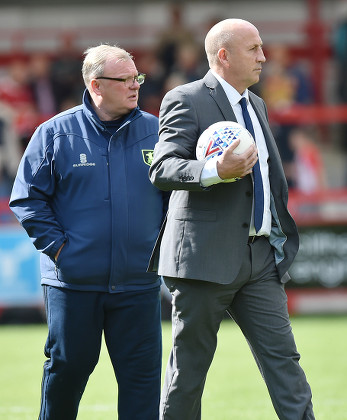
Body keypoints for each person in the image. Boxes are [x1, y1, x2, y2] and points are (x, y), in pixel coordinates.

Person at [149, 19, 315, 420]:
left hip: (259, 260)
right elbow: (163, 168)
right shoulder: (186, 98)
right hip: (203, 261)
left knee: (285, 365)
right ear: (223, 56)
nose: (264, 57)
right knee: (188, 372)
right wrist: (214, 171)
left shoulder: (255, 103)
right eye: (254, 48)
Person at [9, 44, 169, 420]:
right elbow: (27, 199)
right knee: (67, 372)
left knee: (142, 383)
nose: (135, 86)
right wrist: (62, 251)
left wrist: (158, 248)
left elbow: (176, 198)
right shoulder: (54, 134)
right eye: (125, 79)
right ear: (96, 84)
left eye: (138, 78)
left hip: (139, 285)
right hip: (73, 286)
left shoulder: (158, 131)